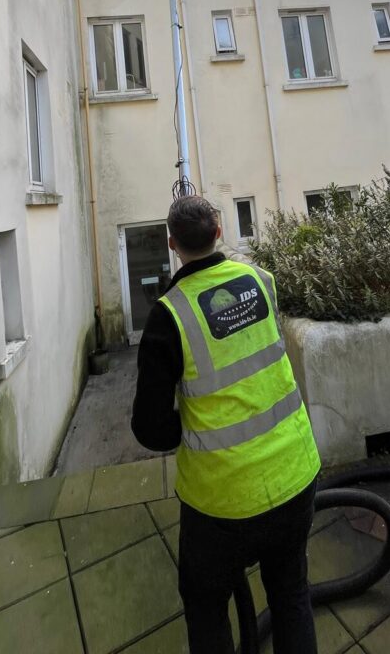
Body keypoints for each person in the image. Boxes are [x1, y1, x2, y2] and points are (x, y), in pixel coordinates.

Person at [131, 195, 321, 654]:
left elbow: (150, 428)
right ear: (219, 232)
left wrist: (187, 428)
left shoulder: (168, 316)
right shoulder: (260, 280)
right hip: (295, 474)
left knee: (206, 606)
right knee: (291, 595)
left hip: (221, 505)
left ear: (173, 244)